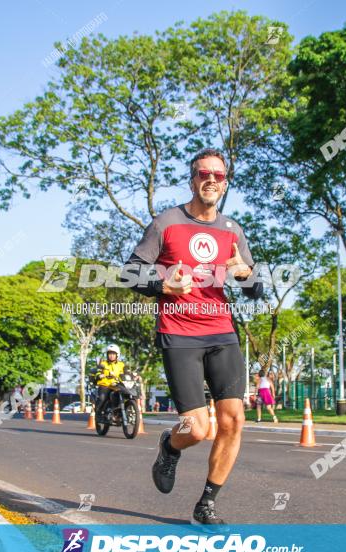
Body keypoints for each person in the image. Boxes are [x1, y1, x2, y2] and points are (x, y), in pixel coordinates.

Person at [123, 148, 263, 528]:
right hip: (179, 333)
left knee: (233, 420)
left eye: (219, 175)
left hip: (221, 332)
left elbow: (255, 290)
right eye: (204, 173)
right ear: (193, 179)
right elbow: (129, 272)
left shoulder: (232, 230)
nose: (211, 180)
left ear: (225, 182)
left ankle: (207, 504)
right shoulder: (166, 221)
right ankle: (169, 445)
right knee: (197, 428)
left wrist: (244, 273)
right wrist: (162, 284)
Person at [95, 344, 127, 414]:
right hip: (105, 385)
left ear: (117, 355)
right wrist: (100, 375)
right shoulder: (103, 363)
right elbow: (98, 373)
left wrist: (134, 376)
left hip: (117, 385)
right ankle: (97, 414)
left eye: (113, 354)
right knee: (102, 398)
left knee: (127, 395)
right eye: (110, 354)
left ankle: (120, 411)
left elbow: (125, 374)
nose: (111, 355)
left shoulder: (121, 364)